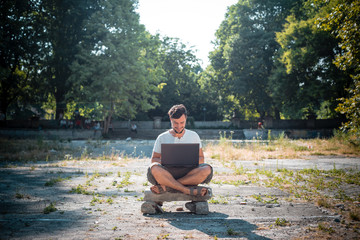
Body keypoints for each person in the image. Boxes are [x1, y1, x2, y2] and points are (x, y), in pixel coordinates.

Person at [147, 104, 213, 196]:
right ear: (171, 120)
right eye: (175, 123)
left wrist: (188, 160)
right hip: (168, 172)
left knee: (207, 169)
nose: (179, 126)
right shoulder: (162, 137)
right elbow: (154, 160)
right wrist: (168, 160)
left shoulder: (193, 136)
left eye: (182, 123)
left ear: (186, 119)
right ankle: (186, 190)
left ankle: (169, 186)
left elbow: (201, 158)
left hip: (188, 173)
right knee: (154, 168)